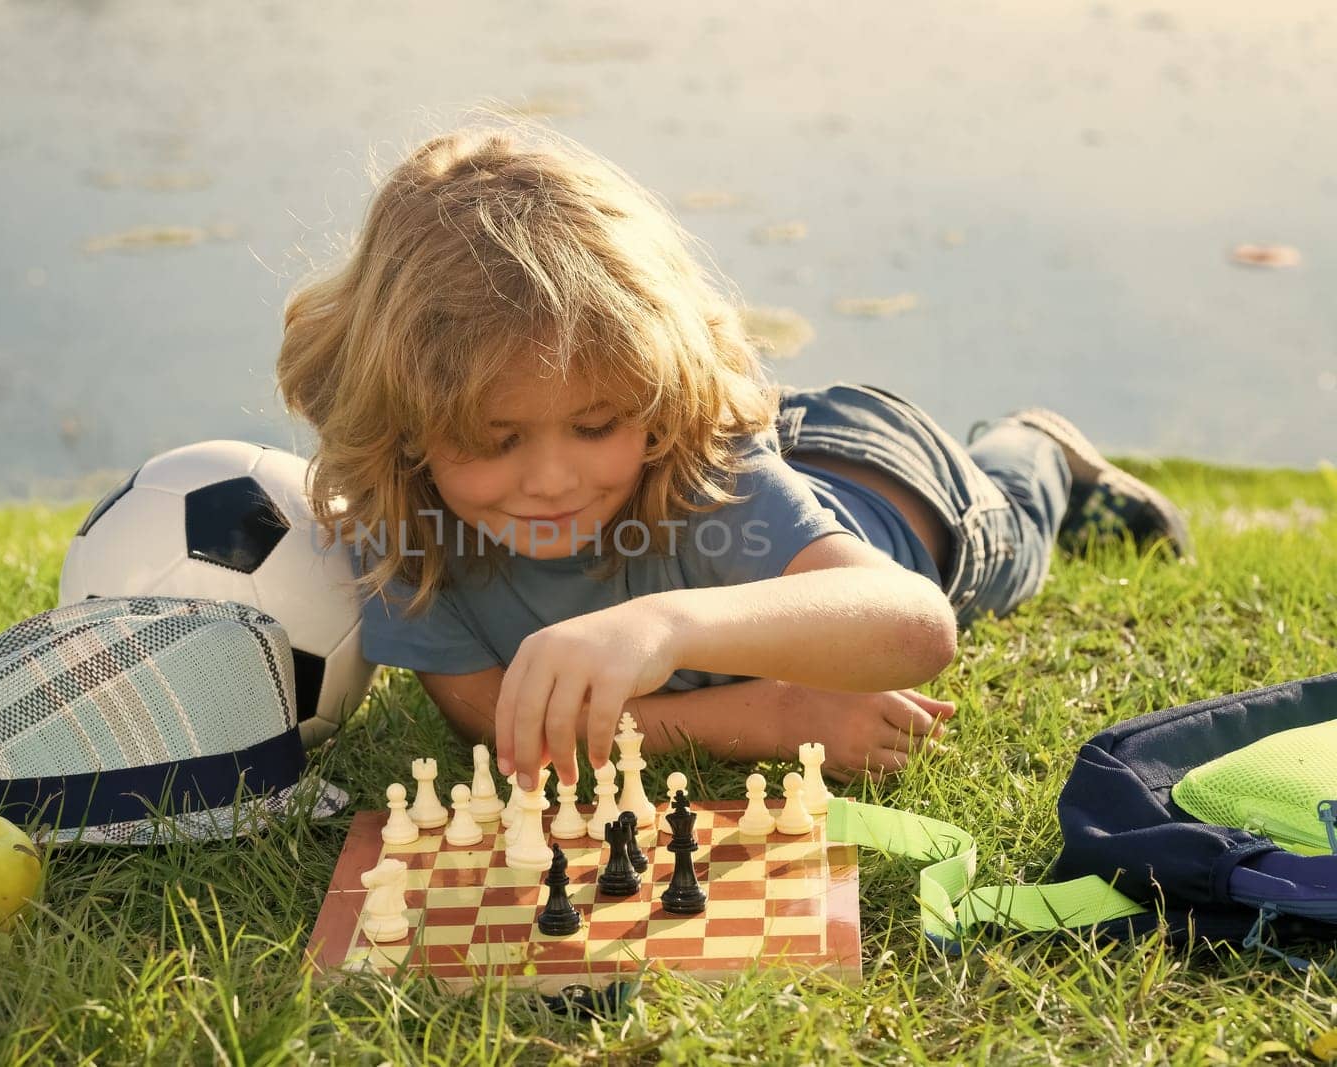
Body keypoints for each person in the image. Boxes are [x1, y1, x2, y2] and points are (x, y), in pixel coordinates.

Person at [275, 123, 1190, 790]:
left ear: (653, 399)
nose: (551, 479)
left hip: (908, 493)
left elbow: (915, 627)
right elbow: (495, 718)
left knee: (1019, 521)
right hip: (768, 457)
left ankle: (1037, 445)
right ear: (402, 424)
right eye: (493, 439)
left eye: (595, 425)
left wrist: (667, 625)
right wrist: (777, 716)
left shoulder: (703, 478)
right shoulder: (406, 523)